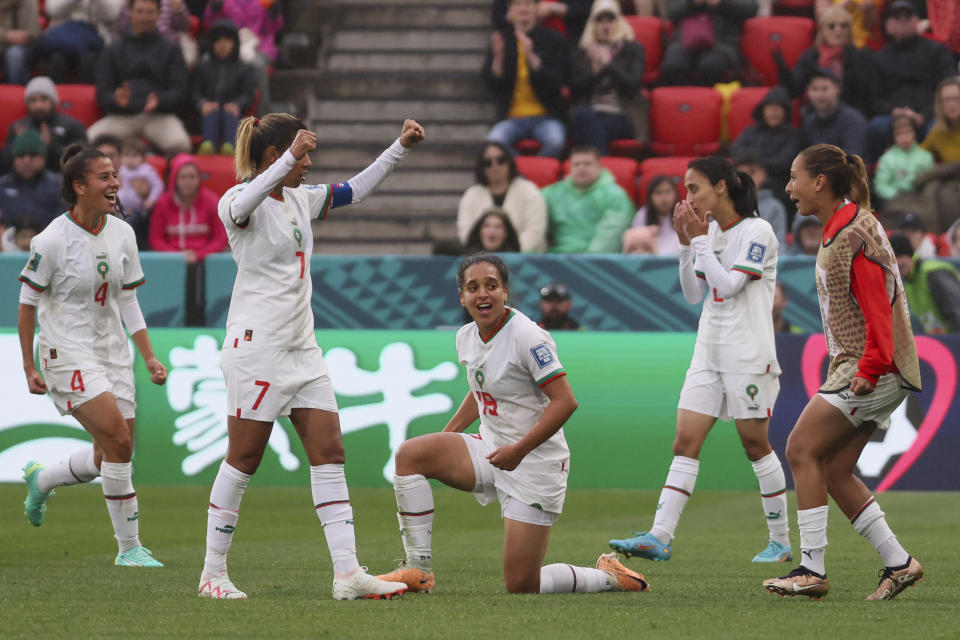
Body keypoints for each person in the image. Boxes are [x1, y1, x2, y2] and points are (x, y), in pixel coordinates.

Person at [198, 114, 425, 601]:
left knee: (329, 451)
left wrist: (399, 147)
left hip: (303, 349)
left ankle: (347, 574)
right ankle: (212, 573)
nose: (308, 164)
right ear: (273, 155)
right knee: (244, 458)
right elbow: (249, 198)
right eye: (302, 154)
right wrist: (284, 160)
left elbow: (354, 191)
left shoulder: (301, 198)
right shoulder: (238, 202)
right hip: (256, 348)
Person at [377, 252, 649, 595]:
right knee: (411, 455)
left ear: (506, 291)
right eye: (472, 287)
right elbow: (481, 389)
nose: (482, 294)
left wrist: (518, 451)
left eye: (491, 285)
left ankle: (608, 576)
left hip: (535, 462)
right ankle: (419, 570)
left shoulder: (528, 336)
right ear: (462, 297)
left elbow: (566, 401)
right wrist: (448, 436)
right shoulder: (465, 336)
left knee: (522, 585)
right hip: (493, 450)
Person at [609, 156, 791, 565]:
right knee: (685, 443)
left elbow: (728, 286)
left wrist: (700, 243)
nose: (687, 197)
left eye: (694, 188)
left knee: (755, 445)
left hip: (748, 352)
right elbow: (695, 294)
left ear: (721, 187)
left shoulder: (757, 231)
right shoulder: (706, 232)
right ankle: (659, 536)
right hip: (708, 350)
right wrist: (686, 244)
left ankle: (780, 541)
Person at [764, 143, 924, 601]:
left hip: (870, 365)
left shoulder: (853, 233)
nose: (789, 187)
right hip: (865, 364)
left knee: (799, 448)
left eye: (794, 177)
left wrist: (871, 367)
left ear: (820, 182)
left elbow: (879, 309)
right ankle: (899, 562)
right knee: (833, 468)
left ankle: (811, 569)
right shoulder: (847, 227)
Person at [18, 143, 169, 568]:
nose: (115, 184)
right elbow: (27, 303)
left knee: (112, 454)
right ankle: (129, 549)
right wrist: (29, 364)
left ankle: (43, 478)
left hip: (112, 350)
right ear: (79, 186)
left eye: (114, 176)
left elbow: (128, 301)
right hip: (65, 350)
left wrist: (149, 355)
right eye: (104, 178)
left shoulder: (123, 232)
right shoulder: (50, 240)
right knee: (118, 439)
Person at [87, 0, 192, 156]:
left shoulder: (171, 49)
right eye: (140, 11)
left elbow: (180, 90)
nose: (145, 17)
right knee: (89, 141)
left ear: (158, 14)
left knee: (181, 144)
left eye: (150, 12)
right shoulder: (113, 49)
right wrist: (114, 100)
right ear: (131, 12)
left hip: (159, 116)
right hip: (122, 116)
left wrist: (160, 100)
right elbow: (103, 92)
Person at [866, 0, 955, 163]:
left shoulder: (937, 50)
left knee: (939, 127)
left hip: (930, 113)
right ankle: (881, 176)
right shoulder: (879, 58)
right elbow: (873, 98)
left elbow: (947, 87)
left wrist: (924, 114)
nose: (902, 21)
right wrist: (895, 112)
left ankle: (940, 174)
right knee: (875, 126)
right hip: (893, 115)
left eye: (907, 16)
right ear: (887, 24)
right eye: (896, 17)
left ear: (917, 20)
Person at [483, 0, 570, 159]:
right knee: (494, 142)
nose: (523, 8)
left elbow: (557, 82)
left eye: (528, 3)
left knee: (556, 141)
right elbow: (493, 85)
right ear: (509, 10)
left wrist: (532, 59)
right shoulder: (501, 39)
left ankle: (534, 173)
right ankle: (522, 175)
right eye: (517, 4)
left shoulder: (553, 39)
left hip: (546, 116)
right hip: (513, 117)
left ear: (537, 8)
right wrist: (498, 60)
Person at [568, 0, 646, 156]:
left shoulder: (632, 49)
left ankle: (595, 165)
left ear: (618, 22)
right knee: (584, 117)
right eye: (600, 20)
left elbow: (632, 85)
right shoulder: (583, 52)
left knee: (585, 124)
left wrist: (607, 64)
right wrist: (595, 72)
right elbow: (575, 90)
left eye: (610, 19)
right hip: (589, 111)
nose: (605, 25)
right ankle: (601, 167)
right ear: (592, 24)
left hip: (623, 115)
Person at [777, 5, 875, 117]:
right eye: (831, 26)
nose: (838, 30)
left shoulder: (860, 56)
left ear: (849, 30)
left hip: (851, 114)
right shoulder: (811, 56)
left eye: (844, 26)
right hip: (816, 115)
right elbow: (795, 90)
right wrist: (783, 69)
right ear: (822, 30)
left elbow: (866, 94)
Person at [457, 142, 548, 253]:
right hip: (480, 261)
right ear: (481, 167)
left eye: (500, 160)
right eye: (488, 162)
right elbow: (466, 233)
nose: (495, 166)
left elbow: (535, 231)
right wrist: (484, 258)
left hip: (525, 258)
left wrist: (510, 255)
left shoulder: (529, 191)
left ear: (509, 162)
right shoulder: (471, 195)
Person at [542, 145, 634, 253]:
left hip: (596, 261)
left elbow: (611, 235)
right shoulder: (551, 193)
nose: (581, 168)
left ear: (599, 167)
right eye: (576, 164)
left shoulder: (615, 195)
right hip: (554, 257)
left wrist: (588, 261)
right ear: (570, 168)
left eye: (587, 164)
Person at [729, 85, 803, 204]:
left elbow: (783, 162)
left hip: (779, 188)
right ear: (763, 111)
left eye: (778, 108)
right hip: (747, 182)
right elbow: (736, 150)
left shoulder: (794, 135)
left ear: (785, 112)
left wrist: (754, 162)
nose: (773, 112)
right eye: (769, 108)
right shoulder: (750, 131)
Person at [148, 153, 227, 262]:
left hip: (206, 262)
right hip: (171, 261)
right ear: (175, 179)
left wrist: (199, 255)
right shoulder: (163, 203)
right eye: (183, 177)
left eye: (192, 177)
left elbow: (221, 238)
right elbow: (156, 239)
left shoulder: (212, 201)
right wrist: (178, 256)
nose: (187, 182)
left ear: (199, 178)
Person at [193, 19, 255, 156]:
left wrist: (237, 104)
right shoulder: (202, 66)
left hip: (234, 115)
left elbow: (249, 94)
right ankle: (208, 145)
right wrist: (202, 104)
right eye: (218, 41)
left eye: (227, 41)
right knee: (211, 111)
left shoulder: (244, 68)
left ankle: (230, 147)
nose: (222, 45)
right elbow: (193, 91)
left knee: (230, 112)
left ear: (235, 43)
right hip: (206, 115)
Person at [660, 0, 758, 87]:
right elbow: (671, 12)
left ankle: (704, 103)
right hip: (685, 41)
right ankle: (682, 102)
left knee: (710, 66)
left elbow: (750, 8)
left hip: (722, 42)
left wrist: (722, 2)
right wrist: (692, 3)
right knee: (674, 64)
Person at [2, 77, 88, 174]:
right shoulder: (18, 127)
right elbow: (3, 164)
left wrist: (51, 147)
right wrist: (18, 144)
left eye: (43, 99)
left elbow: (82, 160)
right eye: (33, 100)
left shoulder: (73, 125)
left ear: (54, 101)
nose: (38, 105)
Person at [33, 0, 122, 83]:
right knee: (58, 60)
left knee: (88, 60)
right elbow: (52, 10)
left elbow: (113, 14)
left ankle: (90, 97)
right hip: (62, 37)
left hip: (96, 38)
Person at [890, 232, 960, 333]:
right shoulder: (908, 282)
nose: (897, 263)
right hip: (939, 342)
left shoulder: (933, 272)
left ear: (909, 255)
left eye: (899, 256)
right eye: (892, 261)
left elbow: (957, 311)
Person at [0, 130, 64, 230]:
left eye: (33, 155)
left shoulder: (59, 185)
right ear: (14, 160)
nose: (27, 161)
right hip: (7, 242)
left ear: (43, 158)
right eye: (21, 155)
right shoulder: (2, 185)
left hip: (50, 241)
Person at [801, 68, 868, 158]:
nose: (819, 95)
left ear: (836, 90)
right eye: (814, 89)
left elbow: (852, 162)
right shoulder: (809, 122)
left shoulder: (853, 122)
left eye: (824, 89)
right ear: (807, 92)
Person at [734, 152, 788, 246]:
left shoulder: (774, 207)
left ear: (763, 175)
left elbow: (779, 246)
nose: (746, 179)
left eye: (751, 173)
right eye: (740, 175)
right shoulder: (726, 205)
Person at [117, 137, 164, 246]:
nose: (130, 159)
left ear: (143, 158)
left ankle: (124, 244)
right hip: (119, 206)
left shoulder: (146, 170)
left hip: (135, 208)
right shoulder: (122, 169)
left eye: (134, 155)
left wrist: (151, 200)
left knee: (126, 223)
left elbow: (158, 185)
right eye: (126, 155)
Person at [622, 175, 681, 255]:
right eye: (658, 193)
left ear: (675, 193)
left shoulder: (683, 214)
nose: (664, 197)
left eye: (668, 191)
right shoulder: (642, 215)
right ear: (650, 196)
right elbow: (634, 247)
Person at [920, 77, 960, 164]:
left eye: (956, 98)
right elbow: (918, 154)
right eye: (946, 100)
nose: (951, 104)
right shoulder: (938, 132)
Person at [0, 0, 40, 85]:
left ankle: (16, 93)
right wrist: (6, 35)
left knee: (14, 54)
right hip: (3, 43)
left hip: (25, 47)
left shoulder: (28, 2)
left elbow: (32, 33)